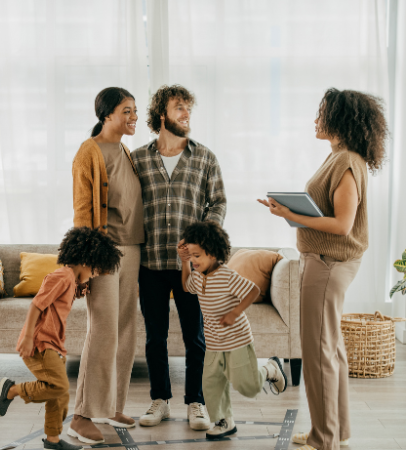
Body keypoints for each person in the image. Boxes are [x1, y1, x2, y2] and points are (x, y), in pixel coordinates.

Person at [258, 88, 389, 450]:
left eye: (322, 114)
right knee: (330, 349)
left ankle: (323, 436)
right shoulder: (341, 157)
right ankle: (338, 431)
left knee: (317, 352)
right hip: (328, 263)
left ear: (339, 120)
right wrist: (291, 212)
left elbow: (342, 225)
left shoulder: (346, 161)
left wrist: (290, 215)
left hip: (329, 265)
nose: (316, 120)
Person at [131, 84, 226, 431]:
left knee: (194, 337)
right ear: (162, 115)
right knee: (155, 337)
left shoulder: (205, 157)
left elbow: (217, 203)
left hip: (192, 266)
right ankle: (160, 400)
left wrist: (201, 240)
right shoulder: (138, 158)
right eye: (179, 108)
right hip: (150, 262)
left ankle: (196, 401)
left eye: (188, 108)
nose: (186, 114)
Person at [0, 227, 123, 450]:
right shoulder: (61, 276)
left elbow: (66, 296)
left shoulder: (71, 280)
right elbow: (36, 305)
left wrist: (81, 287)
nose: (93, 276)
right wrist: (26, 337)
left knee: (59, 397)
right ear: (85, 259)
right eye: (94, 271)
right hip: (40, 344)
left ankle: (53, 441)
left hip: (54, 345)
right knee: (58, 387)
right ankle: (11, 390)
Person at [68, 87, 144, 444]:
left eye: (135, 111)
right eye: (126, 111)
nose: (133, 117)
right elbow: (83, 212)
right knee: (103, 331)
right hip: (105, 251)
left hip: (133, 248)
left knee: (127, 330)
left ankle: (112, 404)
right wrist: (85, 264)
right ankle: (82, 414)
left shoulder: (125, 150)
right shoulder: (90, 152)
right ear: (107, 114)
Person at [178, 221, 288, 439]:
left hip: (237, 340)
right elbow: (186, 286)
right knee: (210, 385)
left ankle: (270, 369)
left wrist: (235, 313)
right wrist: (185, 263)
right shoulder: (199, 275)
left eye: (197, 256)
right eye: (191, 256)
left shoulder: (227, 276)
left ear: (212, 253)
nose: (194, 261)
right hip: (214, 342)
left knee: (248, 386)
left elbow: (253, 290)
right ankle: (224, 421)